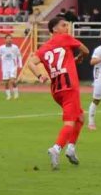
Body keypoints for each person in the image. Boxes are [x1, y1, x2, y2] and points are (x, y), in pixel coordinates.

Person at [27, 16, 90, 170]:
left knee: (80, 116)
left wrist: (40, 76)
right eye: (63, 25)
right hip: (69, 87)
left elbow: (30, 63)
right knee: (69, 122)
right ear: (54, 29)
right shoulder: (65, 38)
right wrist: (81, 57)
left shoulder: (44, 47)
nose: (66, 28)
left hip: (56, 90)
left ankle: (71, 149)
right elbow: (86, 50)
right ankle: (56, 148)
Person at [0, 33, 22, 100]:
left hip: (13, 66)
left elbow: (19, 55)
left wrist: (20, 64)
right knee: (6, 82)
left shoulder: (15, 47)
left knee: (12, 81)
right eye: (8, 38)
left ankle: (16, 94)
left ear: (12, 40)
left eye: (10, 38)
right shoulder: (1, 48)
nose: (9, 40)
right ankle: (8, 96)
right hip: (5, 67)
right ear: (5, 40)